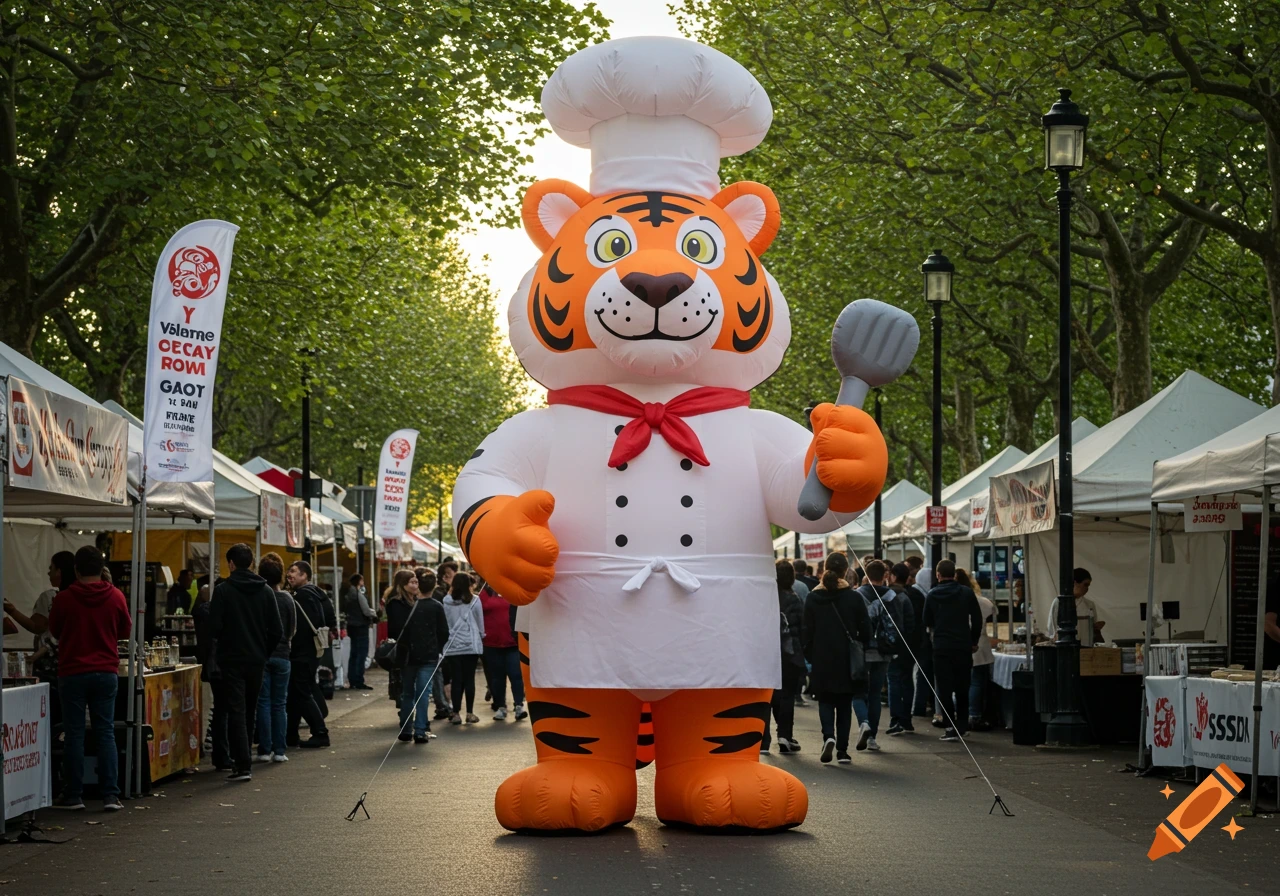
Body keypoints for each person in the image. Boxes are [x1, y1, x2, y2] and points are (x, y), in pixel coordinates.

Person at [48, 546, 131, 811]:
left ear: (75, 570)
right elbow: (124, 629)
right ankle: (110, 794)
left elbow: (55, 630)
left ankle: (74, 794)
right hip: (106, 671)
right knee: (105, 731)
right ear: (100, 569)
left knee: (74, 734)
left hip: (72, 671)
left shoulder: (64, 599)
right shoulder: (116, 596)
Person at [210, 544, 283, 782]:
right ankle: (245, 761)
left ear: (231, 564)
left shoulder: (223, 591)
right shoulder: (266, 591)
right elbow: (277, 630)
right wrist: (263, 651)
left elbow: (215, 627)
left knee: (236, 710)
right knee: (249, 709)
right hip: (256, 660)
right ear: (252, 563)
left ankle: (242, 765)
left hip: (231, 659)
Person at [802, 552, 871, 764]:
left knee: (825, 699)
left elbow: (806, 631)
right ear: (845, 572)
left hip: (822, 657)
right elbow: (866, 630)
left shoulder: (813, 598)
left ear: (824, 570)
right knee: (843, 702)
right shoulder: (853, 597)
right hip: (846, 658)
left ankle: (828, 737)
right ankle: (842, 750)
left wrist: (810, 654)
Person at [385, 570, 450, 743]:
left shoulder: (402, 604)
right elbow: (444, 632)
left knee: (408, 693)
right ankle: (420, 730)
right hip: (428, 655)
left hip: (408, 655)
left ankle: (406, 728)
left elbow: (395, 630)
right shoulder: (435, 606)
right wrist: (437, 648)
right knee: (422, 693)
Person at [854, 559, 912, 752]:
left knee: (858, 692)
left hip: (862, 650)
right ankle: (872, 738)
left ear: (866, 574)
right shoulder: (891, 596)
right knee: (875, 693)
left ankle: (864, 723)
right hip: (884, 650)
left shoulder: (857, 595)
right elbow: (898, 624)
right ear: (885, 576)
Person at [922, 560, 983, 742]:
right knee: (963, 686)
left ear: (938, 575)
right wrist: (973, 640)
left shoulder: (932, 595)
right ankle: (962, 724)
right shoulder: (966, 593)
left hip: (941, 646)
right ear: (955, 575)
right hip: (963, 645)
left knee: (944, 688)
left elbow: (926, 620)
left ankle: (949, 725)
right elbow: (977, 618)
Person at [5, 550, 76, 681]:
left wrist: (12, 611)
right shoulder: (79, 598)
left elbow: (36, 627)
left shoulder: (50, 597)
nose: (48, 572)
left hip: (49, 664)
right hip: (73, 663)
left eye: (51, 568)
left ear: (59, 572)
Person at [255, 554, 295, 763]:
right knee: (279, 703)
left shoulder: (258, 597)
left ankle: (264, 749)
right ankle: (280, 750)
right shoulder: (287, 599)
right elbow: (291, 629)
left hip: (262, 654)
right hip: (282, 655)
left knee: (263, 703)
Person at [286, 561, 331, 748]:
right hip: (312, 651)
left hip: (301, 651)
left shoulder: (302, 596)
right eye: (289, 571)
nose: (289, 575)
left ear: (305, 575)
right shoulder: (319, 594)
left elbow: (299, 626)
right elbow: (329, 618)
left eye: (294, 572)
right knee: (296, 693)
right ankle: (290, 735)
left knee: (301, 691)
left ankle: (320, 731)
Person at [764, 560, 805, 753]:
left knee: (766, 695)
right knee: (787, 695)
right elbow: (802, 627)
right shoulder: (794, 598)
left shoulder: (766, 597)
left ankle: (763, 740)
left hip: (767, 651)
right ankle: (785, 735)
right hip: (790, 653)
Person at [886, 561, 924, 735]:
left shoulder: (889, 595)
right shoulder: (915, 595)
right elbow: (916, 623)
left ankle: (896, 719)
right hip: (911, 644)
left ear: (893, 576)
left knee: (893, 679)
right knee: (907, 679)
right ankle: (906, 719)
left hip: (894, 644)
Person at [442, 572, 485, 724]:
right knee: (469, 679)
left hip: (453, 644)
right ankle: (470, 713)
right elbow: (480, 623)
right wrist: (482, 635)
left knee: (456, 679)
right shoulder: (474, 601)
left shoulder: (446, 601)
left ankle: (455, 713)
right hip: (470, 644)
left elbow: (445, 621)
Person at [480, 583, 526, 721]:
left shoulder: (511, 590)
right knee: (497, 678)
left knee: (516, 675)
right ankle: (501, 706)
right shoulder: (484, 593)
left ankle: (519, 705)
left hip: (512, 641)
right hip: (492, 642)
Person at [967, 580, 997, 732]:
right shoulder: (984, 602)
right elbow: (992, 612)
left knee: (962, 682)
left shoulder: (955, 601)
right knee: (977, 682)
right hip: (980, 645)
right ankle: (974, 715)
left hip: (960, 644)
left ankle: (963, 714)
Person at [1047, 567, 1103, 646]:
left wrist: (1097, 627)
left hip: (1086, 648)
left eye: (1088, 585)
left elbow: (1093, 629)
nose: (1087, 589)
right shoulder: (1059, 602)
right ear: (1075, 583)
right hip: (1066, 648)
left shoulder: (1089, 604)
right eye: (1085, 584)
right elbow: (1052, 629)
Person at [342, 573, 376, 690]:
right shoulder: (358, 594)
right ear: (359, 581)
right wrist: (373, 613)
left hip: (351, 625)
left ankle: (352, 679)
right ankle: (358, 679)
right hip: (361, 625)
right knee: (361, 653)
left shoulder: (348, 594)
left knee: (354, 653)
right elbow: (366, 610)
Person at [912, 565, 936, 720]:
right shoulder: (923, 596)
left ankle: (921, 705)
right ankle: (924, 706)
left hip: (919, 641)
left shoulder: (915, 592)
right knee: (926, 673)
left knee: (922, 673)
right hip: (924, 640)